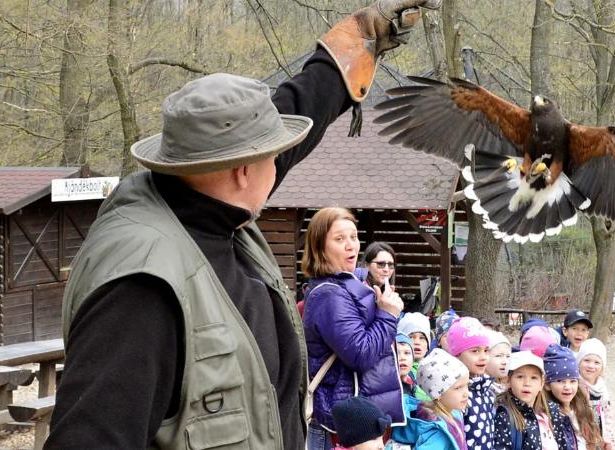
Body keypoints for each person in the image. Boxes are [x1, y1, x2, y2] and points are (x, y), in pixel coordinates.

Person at [45, 2, 434, 448]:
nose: (283, 159)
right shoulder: (142, 288)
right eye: (275, 152)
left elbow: (294, 106)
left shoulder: (202, 196)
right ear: (242, 171)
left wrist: (363, 41)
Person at [302, 207, 406, 449]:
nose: (351, 245)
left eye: (353, 236)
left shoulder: (352, 282)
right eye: (339, 239)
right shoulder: (329, 295)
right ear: (319, 247)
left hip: (353, 419)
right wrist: (388, 315)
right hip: (337, 423)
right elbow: (360, 354)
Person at [389, 348, 470, 449]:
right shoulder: (436, 433)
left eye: (467, 385)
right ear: (438, 393)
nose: (466, 393)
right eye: (458, 388)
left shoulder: (454, 412)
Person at [493, 351, 570, 450]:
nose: (527, 383)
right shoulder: (505, 417)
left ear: (542, 384)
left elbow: (563, 445)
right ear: (508, 381)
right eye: (520, 377)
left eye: (534, 378)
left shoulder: (551, 411)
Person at [446, 317, 495, 450]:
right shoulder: (453, 394)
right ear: (457, 355)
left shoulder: (486, 390)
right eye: (475, 351)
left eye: (486, 350)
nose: (483, 356)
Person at [543, 345, 603, 450]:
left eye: (572, 381)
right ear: (547, 385)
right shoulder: (547, 414)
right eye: (560, 381)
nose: (567, 387)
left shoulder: (581, 406)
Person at [577, 339, 615, 450]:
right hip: (582, 439)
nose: (591, 366)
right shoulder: (576, 386)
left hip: (599, 436)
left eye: (597, 362)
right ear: (579, 362)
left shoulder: (602, 388)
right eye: (586, 360)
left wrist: (609, 439)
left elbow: (608, 415)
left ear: (602, 367)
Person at [486, 330, 512, 395]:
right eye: (498, 356)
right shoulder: (483, 388)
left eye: (508, 356)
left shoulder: (512, 384)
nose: (505, 362)